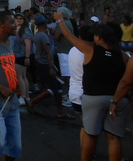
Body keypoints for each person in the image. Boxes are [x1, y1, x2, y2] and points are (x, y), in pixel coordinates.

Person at [53, 11, 128, 161]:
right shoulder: (123, 55)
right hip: (117, 99)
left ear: (99, 38)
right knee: (114, 138)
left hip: (93, 97)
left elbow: (69, 37)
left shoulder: (90, 49)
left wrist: (60, 20)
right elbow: (128, 80)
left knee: (90, 134)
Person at [0, 11, 22, 161]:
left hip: (12, 101)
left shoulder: (11, 42)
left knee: (14, 146)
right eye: (12, 22)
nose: (15, 25)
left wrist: (16, 82)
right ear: (1, 25)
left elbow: (9, 66)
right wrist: (0, 87)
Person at [27, 14, 70, 118]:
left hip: (41, 63)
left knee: (56, 87)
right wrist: (51, 67)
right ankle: (59, 111)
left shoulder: (37, 35)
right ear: (44, 24)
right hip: (45, 64)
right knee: (55, 88)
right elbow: (48, 52)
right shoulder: (43, 36)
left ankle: (34, 102)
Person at [12, 13, 32, 105]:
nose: (18, 20)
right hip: (15, 55)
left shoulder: (25, 31)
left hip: (21, 55)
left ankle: (23, 96)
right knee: (22, 76)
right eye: (17, 18)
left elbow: (28, 45)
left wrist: (27, 57)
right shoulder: (14, 30)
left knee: (20, 76)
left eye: (21, 18)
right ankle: (26, 95)